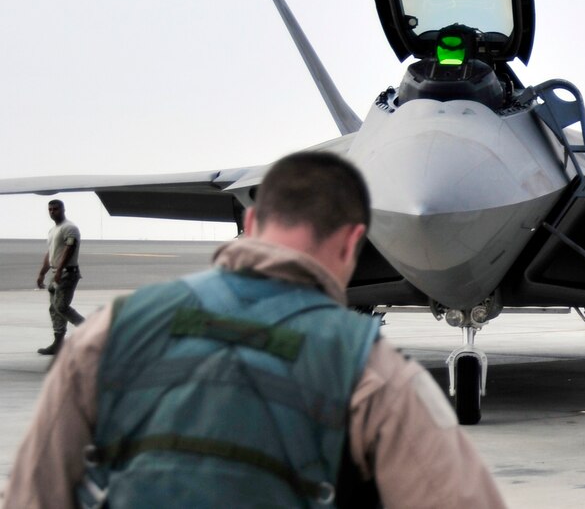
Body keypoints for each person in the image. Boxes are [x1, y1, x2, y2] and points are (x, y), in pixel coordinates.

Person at [5, 152, 506, 508]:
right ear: (356, 240)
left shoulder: (111, 331)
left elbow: (34, 492)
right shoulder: (372, 375)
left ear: (250, 218)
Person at [35, 199, 84, 355]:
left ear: (63, 210)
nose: (52, 212)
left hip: (68, 273)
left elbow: (70, 248)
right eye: (50, 209)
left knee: (61, 306)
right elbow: (51, 253)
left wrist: (60, 268)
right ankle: (58, 342)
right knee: (54, 309)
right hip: (56, 272)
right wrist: (43, 272)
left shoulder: (70, 228)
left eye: (55, 209)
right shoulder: (53, 230)